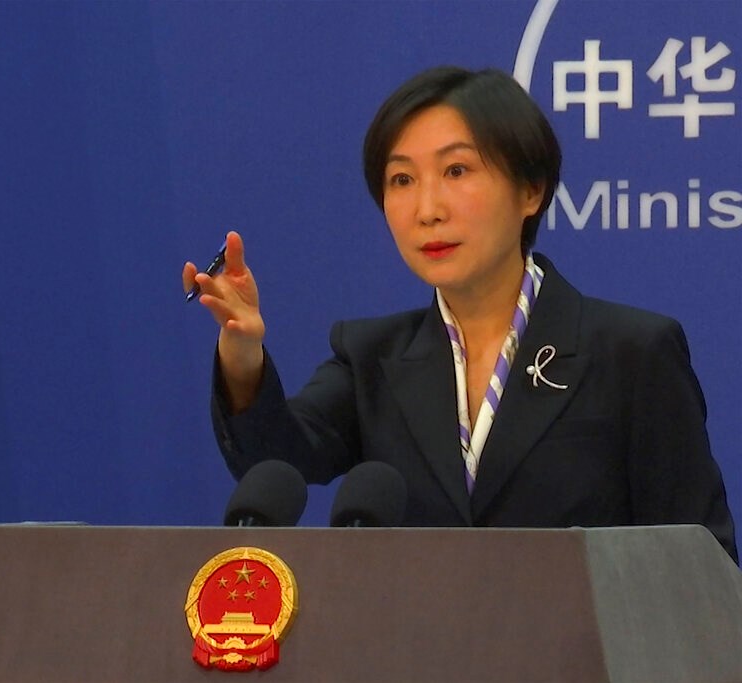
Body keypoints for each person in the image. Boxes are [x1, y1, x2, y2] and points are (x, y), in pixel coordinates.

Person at [182, 66, 738, 562]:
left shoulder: (631, 353)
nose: (428, 209)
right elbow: (278, 461)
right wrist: (243, 353)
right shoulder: (371, 357)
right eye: (402, 180)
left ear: (531, 190)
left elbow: (701, 566)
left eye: (456, 171)